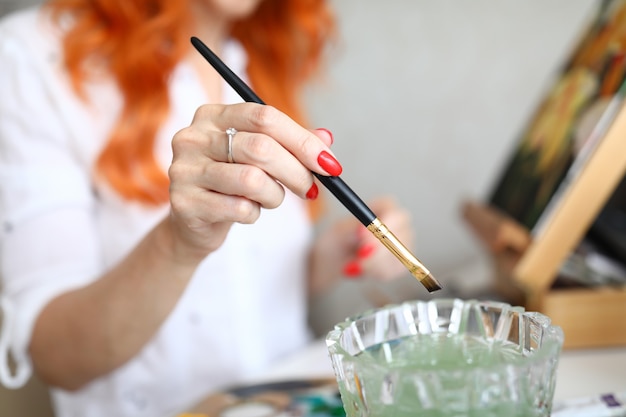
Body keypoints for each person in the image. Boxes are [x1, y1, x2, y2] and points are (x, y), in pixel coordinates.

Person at [0, 0, 414, 416]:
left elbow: (238, 290)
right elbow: (56, 357)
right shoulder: (30, 56)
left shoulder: (255, 51)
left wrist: (339, 253)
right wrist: (178, 243)